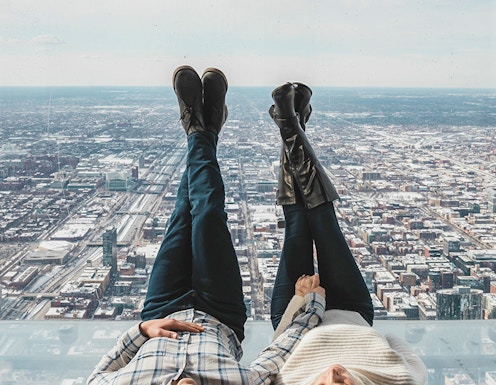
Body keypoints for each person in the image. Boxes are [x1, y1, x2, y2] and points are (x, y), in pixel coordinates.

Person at [87, 66, 326, 385]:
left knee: (183, 211)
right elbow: (281, 352)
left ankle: (203, 129)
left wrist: (143, 331)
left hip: (162, 308)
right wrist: (312, 305)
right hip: (220, 311)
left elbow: (98, 378)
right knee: (208, 213)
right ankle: (201, 130)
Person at [267, 82, 428, 385]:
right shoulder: (403, 382)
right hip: (351, 309)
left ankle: (291, 122)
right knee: (323, 220)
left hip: (296, 312)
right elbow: (394, 341)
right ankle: (290, 123)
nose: (334, 373)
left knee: (298, 222)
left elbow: (273, 353)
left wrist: (300, 303)